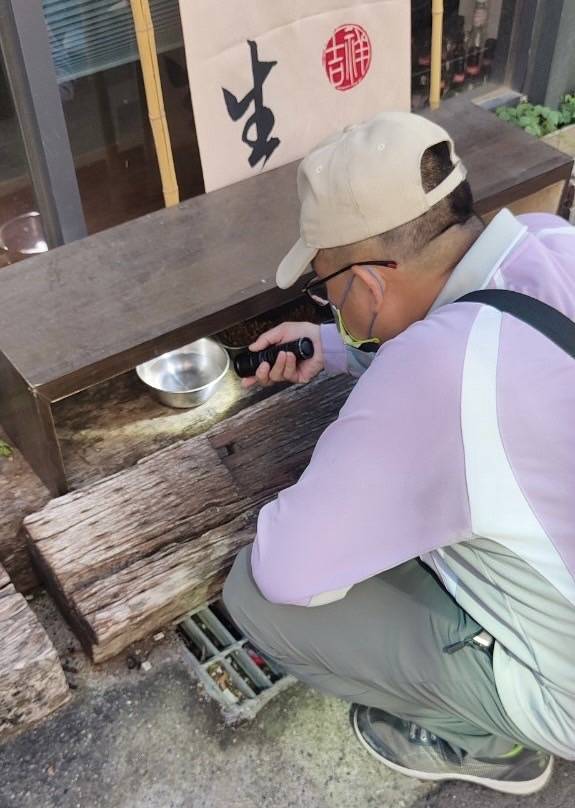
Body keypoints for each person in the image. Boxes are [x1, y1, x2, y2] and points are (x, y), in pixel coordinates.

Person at [223, 111, 575, 794]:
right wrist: (332, 347)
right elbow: (497, 332)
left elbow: (287, 571)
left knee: (252, 596)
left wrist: (358, 442)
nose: (326, 301)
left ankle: (488, 743)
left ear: (369, 284)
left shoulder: (431, 373)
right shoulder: (551, 240)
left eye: (324, 287)